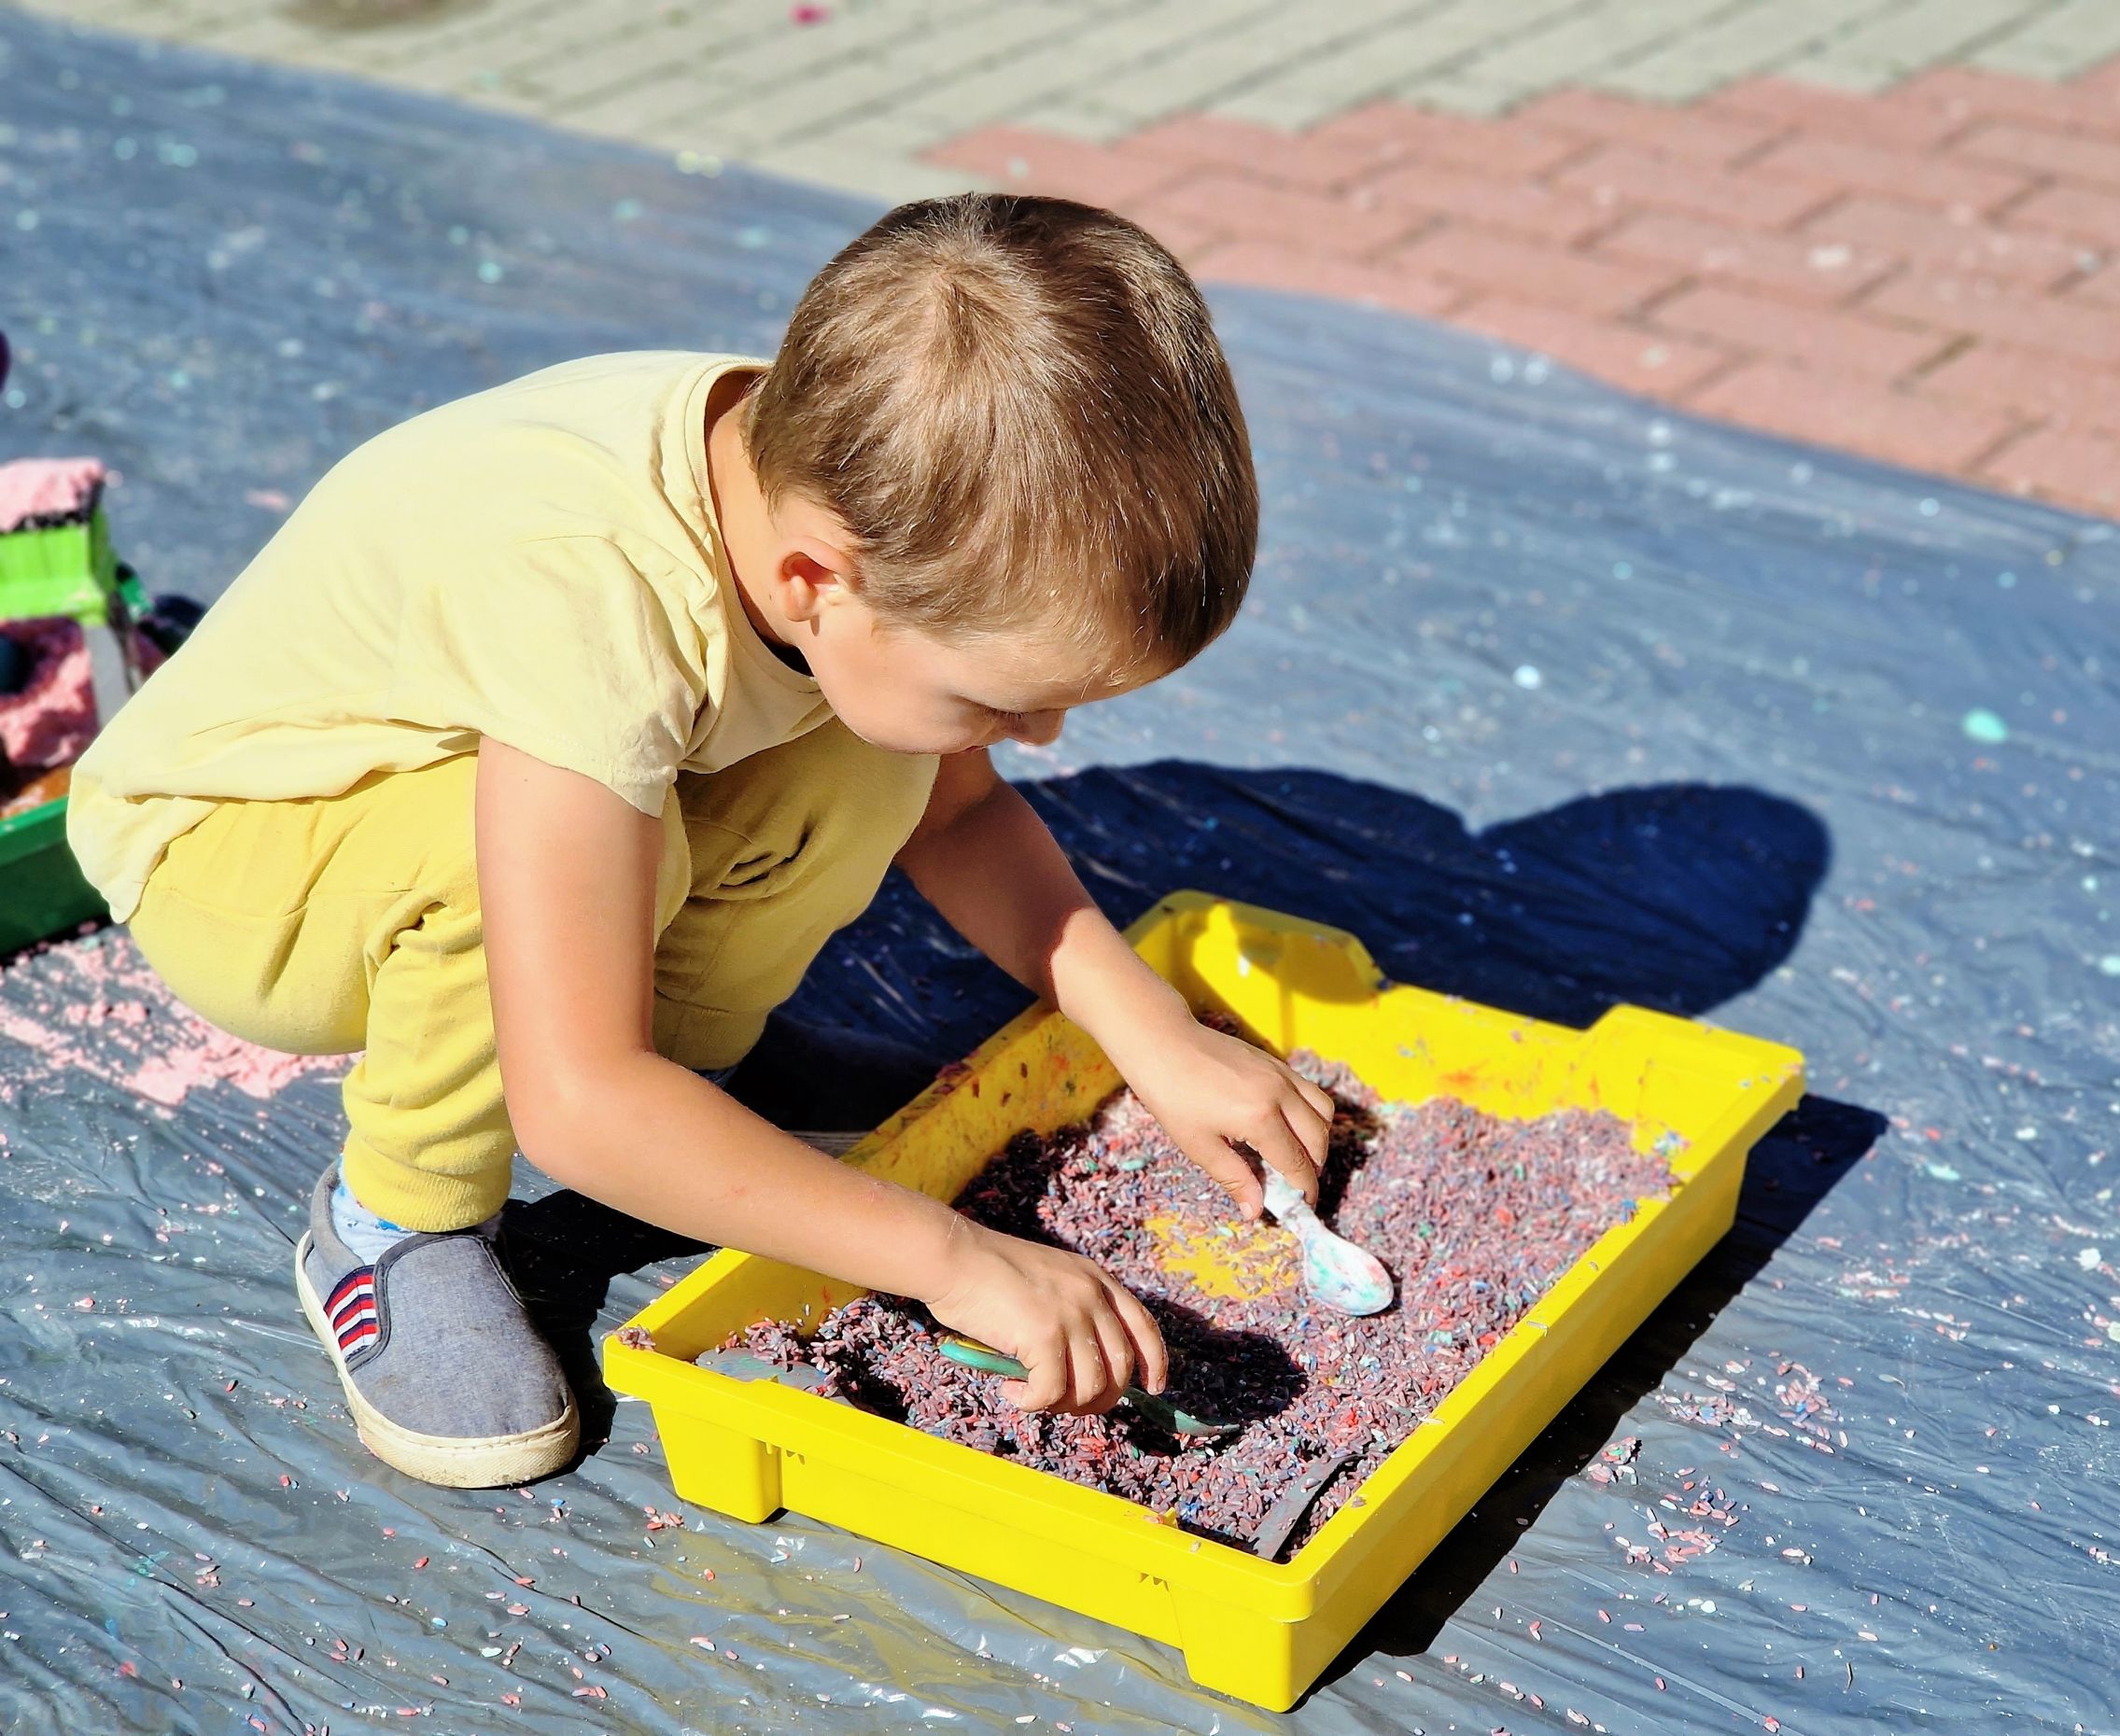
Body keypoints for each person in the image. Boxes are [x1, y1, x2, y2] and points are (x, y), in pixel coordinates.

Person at [66, 194, 1332, 1488]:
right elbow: (575, 1103)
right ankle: (393, 1215)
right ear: (812, 582)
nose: (1045, 737)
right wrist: (952, 1262)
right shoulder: (588, 595)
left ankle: (693, 1070)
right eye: (1004, 701)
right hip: (234, 849)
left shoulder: (848, 481)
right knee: (512, 871)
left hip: (492, 782)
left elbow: (958, 812)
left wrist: (1148, 1033)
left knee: (876, 760)